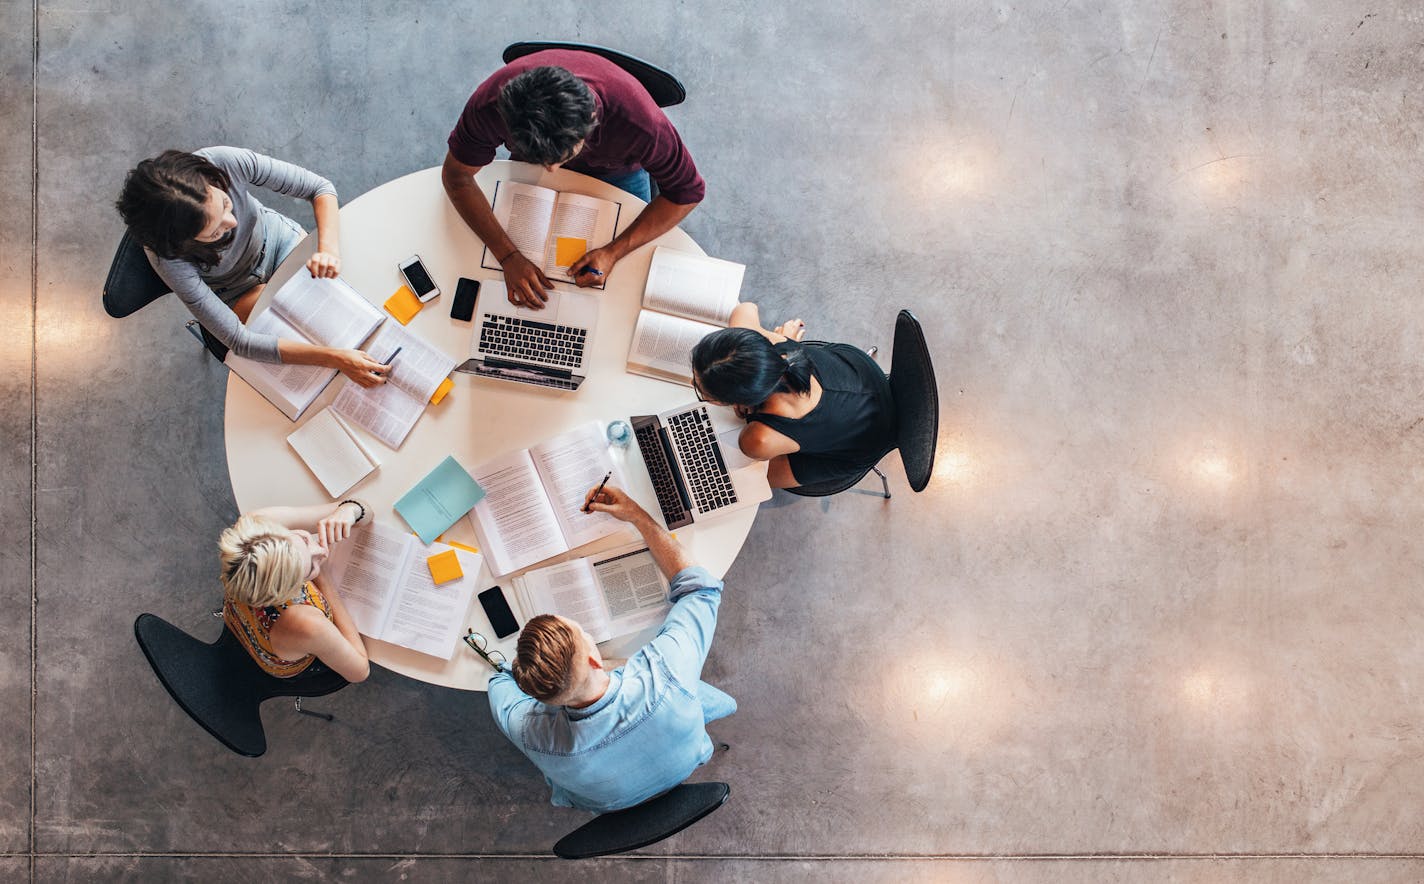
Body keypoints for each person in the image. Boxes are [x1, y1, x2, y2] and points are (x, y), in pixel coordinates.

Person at [486, 485, 735, 813]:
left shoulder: (532, 733)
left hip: (608, 803)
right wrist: (637, 515)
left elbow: (498, 685)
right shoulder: (665, 674)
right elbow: (701, 590)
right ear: (593, 657)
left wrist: (516, 670)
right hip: (687, 758)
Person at [442, 50, 705, 309]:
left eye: (561, 157)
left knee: (623, 285)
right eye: (543, 161)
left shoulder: (641, 125)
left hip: (619, 171)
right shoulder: (490, 104)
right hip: (532, 164)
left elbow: (687, 193)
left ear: (592, 121)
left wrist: (614, 251)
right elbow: (456, 177)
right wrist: (508, 255)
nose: (552, 171)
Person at [115, 146, 389, 386]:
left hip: (280, 243)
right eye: (214, 232)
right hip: (234, 291)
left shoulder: (222, 161)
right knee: (314, 340)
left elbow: (320, 188)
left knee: (350, 299)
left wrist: (328, 250)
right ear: (182, 244)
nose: (232, 222)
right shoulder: (168, 258)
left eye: (225, 203)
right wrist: (335, 359)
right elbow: (239, 341)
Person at [690, 302, 898, 489]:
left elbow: (755, 443)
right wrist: (785, 340)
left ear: (736, 401)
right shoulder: (770, 345)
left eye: (702, 392)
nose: (692, 383)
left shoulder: (757, 440)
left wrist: (750, 414)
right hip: (862, 374)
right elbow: (746, 308)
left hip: (865, 443)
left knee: (746, 481)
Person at [218, 500, 371, 684]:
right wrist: (324, 579)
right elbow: (360, 671)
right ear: (289, 592)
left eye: (305, 540)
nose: (322, 551)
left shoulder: (258, 525)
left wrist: (349, 511)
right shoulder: (307, 623)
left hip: (239, 616)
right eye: (310, 569)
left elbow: (364, 509)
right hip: (286, 660)